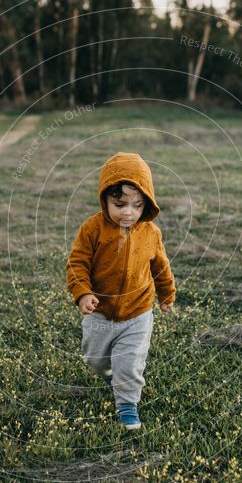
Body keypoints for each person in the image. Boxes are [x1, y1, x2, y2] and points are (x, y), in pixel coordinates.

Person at [66, 152, 176, 430]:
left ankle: (127, 405)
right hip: (100, 312)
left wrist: (166, 295)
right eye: (120, 203)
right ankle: (111, 376)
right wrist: (83, 293)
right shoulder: (92, 229)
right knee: (95, 359)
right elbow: (76, 263)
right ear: (104, 198)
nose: (129, 212)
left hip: (138, 312)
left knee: (129, 362)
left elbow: (161, 267)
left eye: (137, 205)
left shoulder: (151, 233)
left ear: (147, 204)